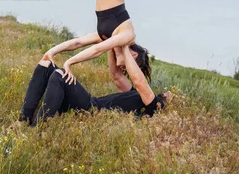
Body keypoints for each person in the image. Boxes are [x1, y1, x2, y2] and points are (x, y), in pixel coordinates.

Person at [20, 52, 171, 125]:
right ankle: (23, 120)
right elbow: (117, 76)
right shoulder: (134, 94)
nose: (164, 93)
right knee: (46, 65)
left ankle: (36, 129)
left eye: (163, 95)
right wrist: (113, 44)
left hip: (92, 110)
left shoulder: (151, 104)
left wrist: (125, 46)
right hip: (89, 101)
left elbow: (140, 82)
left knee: (60, 75)